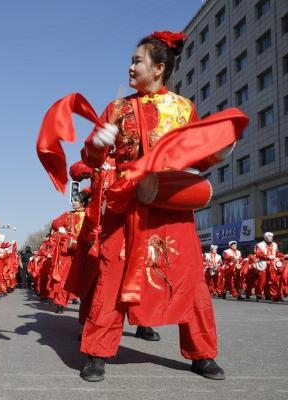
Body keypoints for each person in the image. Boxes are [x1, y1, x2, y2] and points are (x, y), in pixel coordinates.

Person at [69, 31, 233, 381]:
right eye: (130, 61)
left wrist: (219, 148)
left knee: (190, 280)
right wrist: (101, 140)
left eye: (137, 61)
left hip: (170, 204)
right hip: (126, 203)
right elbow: (92, 157)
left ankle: (202, 354)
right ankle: (97, 352)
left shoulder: (184, 107)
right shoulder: (116, 108)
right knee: (111, 277)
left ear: (158, 68)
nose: (130, 67)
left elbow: (199, 159)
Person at [255, 232, 283, 302]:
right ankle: (259, 295)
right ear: (265, 237)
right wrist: (267, 257)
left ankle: (273, 295)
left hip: (272, 264)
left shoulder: (274, 245)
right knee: (262, 281)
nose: (271, 238)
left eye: (272, 236)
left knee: (272, 280)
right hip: (263, 264)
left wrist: (282, 256)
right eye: (269, 236)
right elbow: (258, 254)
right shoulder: (259, 245)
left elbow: (277, 253)